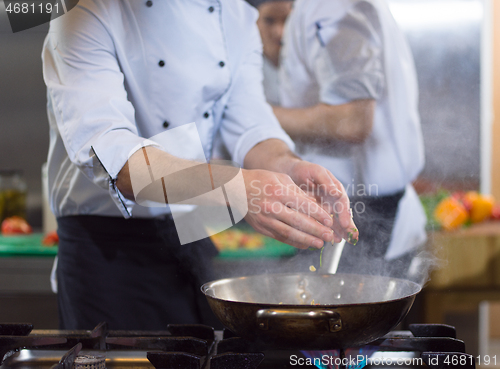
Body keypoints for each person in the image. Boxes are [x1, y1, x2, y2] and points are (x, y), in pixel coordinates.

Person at [41, 0, 358, 330]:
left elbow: (250, 123)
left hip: (193, 232)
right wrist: (237, 188)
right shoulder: (80, 12)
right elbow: (119, 164)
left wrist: (287, 166)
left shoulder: (235, 13)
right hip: (108, 250)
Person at [273, 0, 427, 278]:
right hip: (362, 210)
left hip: (360, 218)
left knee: (341, 319)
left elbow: (351, 121)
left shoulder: (327, 6)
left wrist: (257, 118)